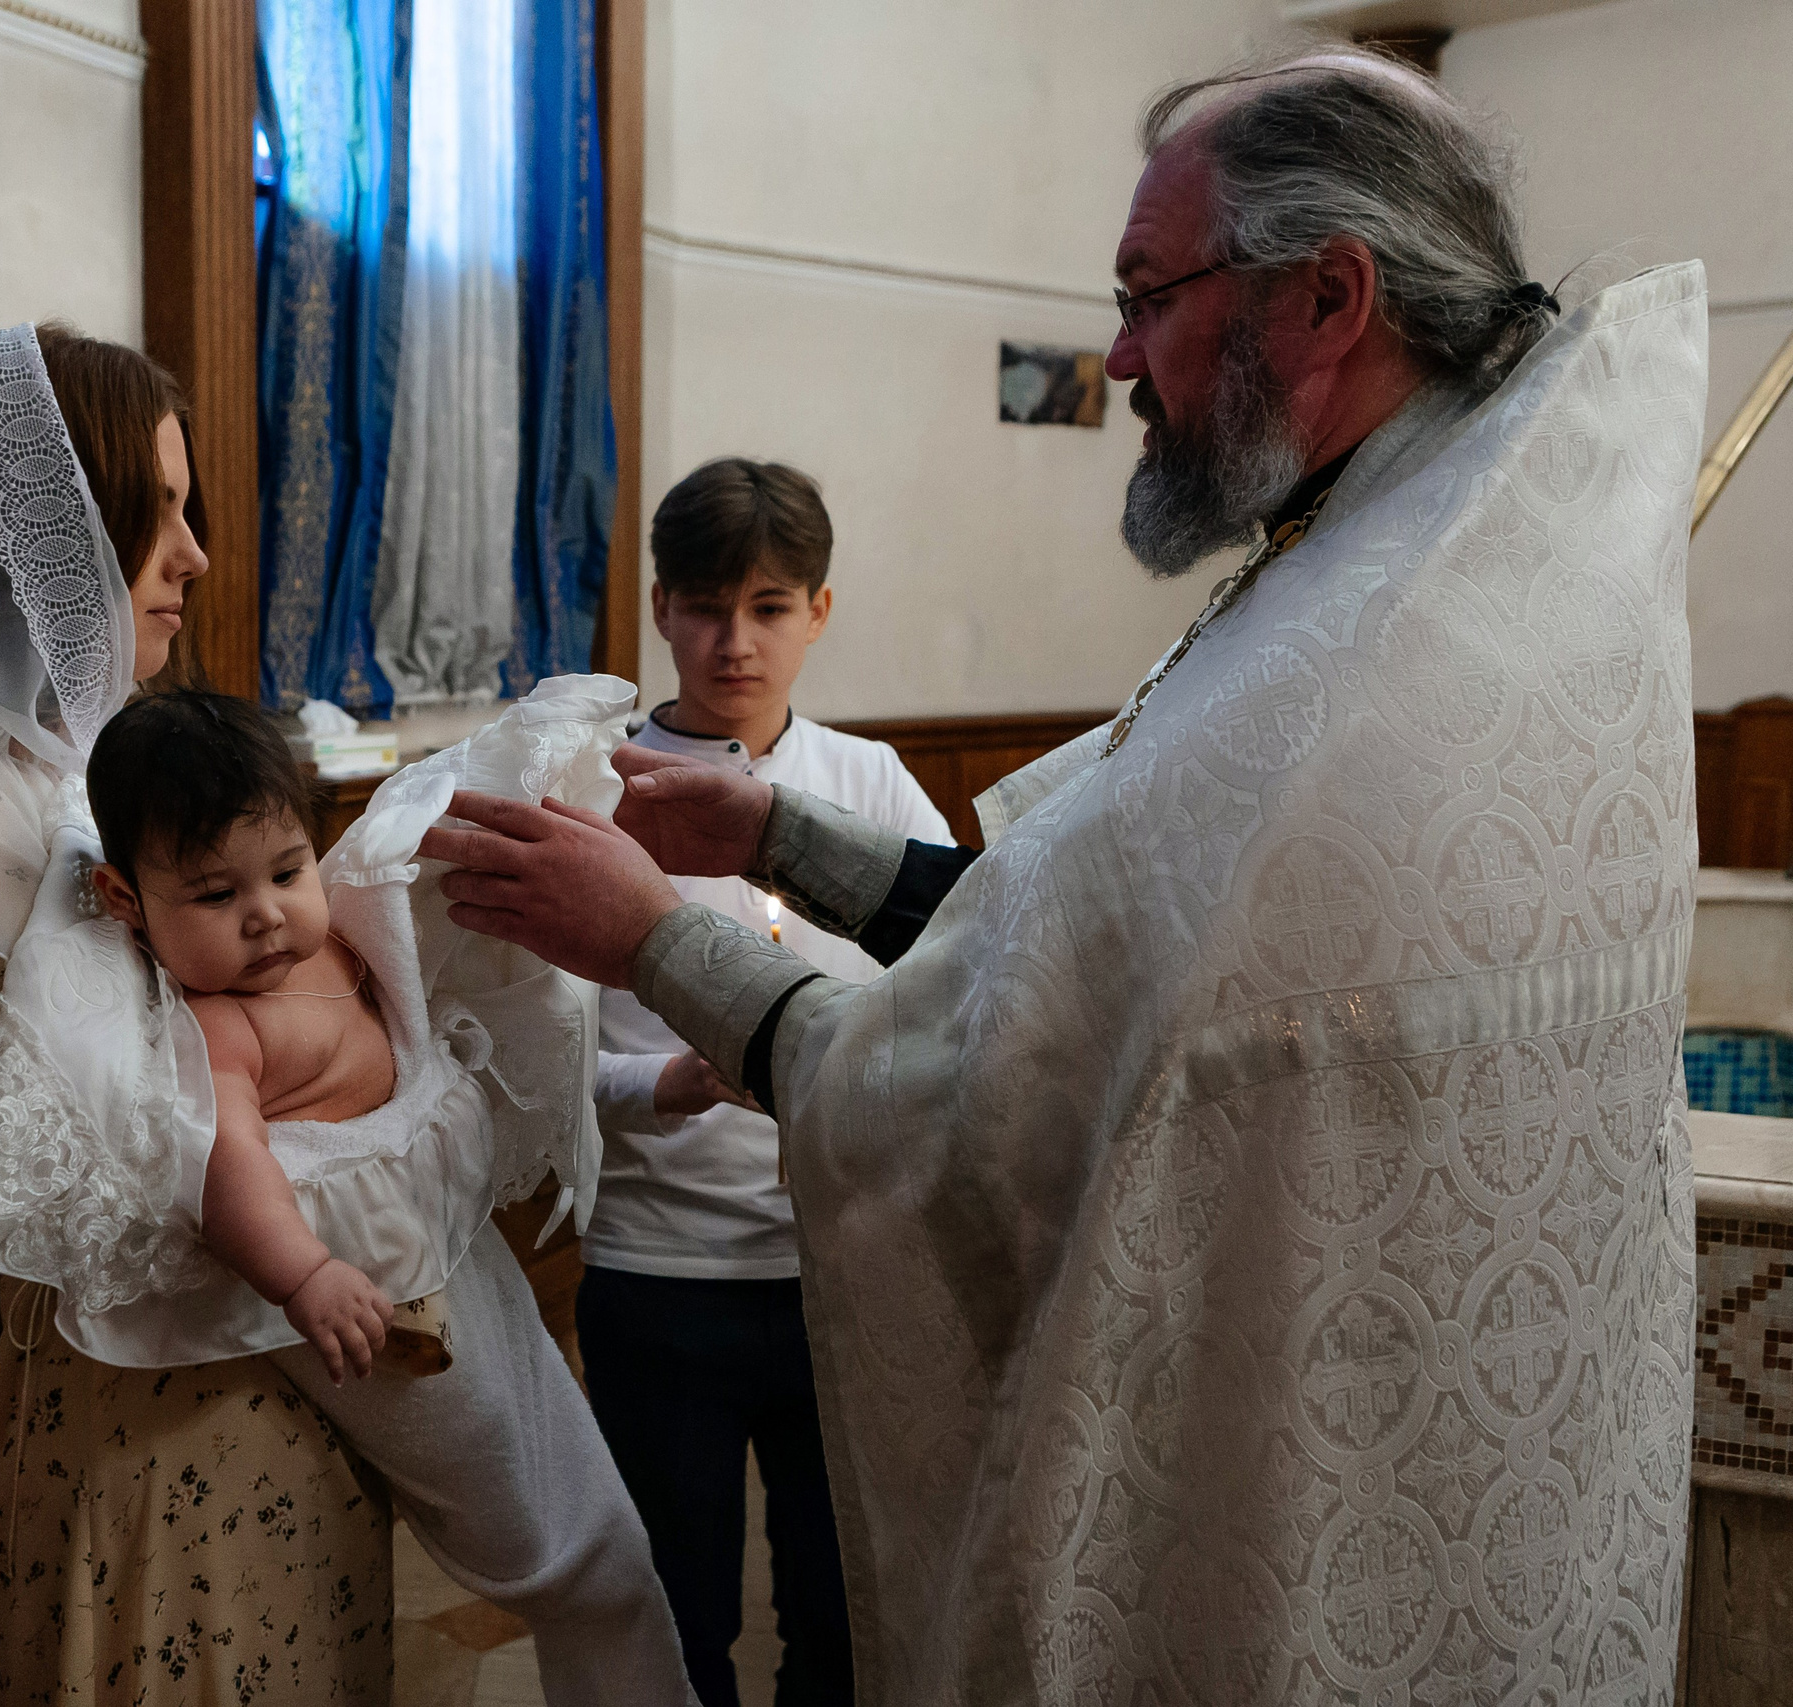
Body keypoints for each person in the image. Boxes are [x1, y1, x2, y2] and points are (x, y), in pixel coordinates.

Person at [418, 48, 1704, 1704]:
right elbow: (1078, 928)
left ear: (1329, 297)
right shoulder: (1413, 575)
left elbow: (972, 1078)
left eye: (1146, 293)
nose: (1115, 356)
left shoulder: (1376, 658)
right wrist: (765, 839)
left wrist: (657, 934)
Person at [0, 323, 394, 1704]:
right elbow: (112, 1188)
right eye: (151, 514)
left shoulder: (50, 760)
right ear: (28, 541)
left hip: (250, 1380)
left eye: (189, 508)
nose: (196, 556)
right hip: (147, 1430)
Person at [0, 685, 698, 1707]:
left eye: (284, 871)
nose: (266, 913)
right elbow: (226, 1163)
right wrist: (304, 1272)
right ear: (123, 902)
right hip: (375, 1291)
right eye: (213, 895)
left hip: (455, 1250)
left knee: (600, 1523)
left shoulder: (342, 938)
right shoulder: (224, 1028)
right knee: (558, 1545)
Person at [581, 458, 949, 1706]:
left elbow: (950, 992)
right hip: (657, 1267)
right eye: (703, 605)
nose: (734, 641)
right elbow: (533, 1063)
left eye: (771, 606)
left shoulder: (872, 786)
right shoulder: (594, 793)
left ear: (819, 612)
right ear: (660, 608)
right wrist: (662, 1085)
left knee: (842, 1609)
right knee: (674, 1614)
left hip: (838, 1264)